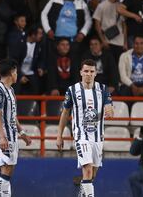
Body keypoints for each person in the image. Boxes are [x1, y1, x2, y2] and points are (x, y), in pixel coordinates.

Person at [57, 59, 114, 197]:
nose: (89, 74)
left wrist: (110, 110)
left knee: (92, 175)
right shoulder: (72, 90)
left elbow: (110, 108)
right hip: (81, 135)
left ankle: (83, 189)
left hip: (97, 137)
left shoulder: (103, 89)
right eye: (86, 71)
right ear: (81, 72)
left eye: (92, 71)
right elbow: (65, 113)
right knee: (87, 169)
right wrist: (59, 135)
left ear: (96, 73)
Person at [0, 59, 32, 196]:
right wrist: (2, 137)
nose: (17, 74)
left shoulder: (11, 90)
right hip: (2, 136)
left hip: (12, 135)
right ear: (12, 72)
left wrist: (21, 131)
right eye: (16, 72)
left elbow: (12, 114)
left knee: (8, 170)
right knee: (5, 169)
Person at [129, 126, 143, 197]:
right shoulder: (142, 141)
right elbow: (133, 152)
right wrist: (139, 138)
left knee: (134, 178)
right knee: (134, 178)